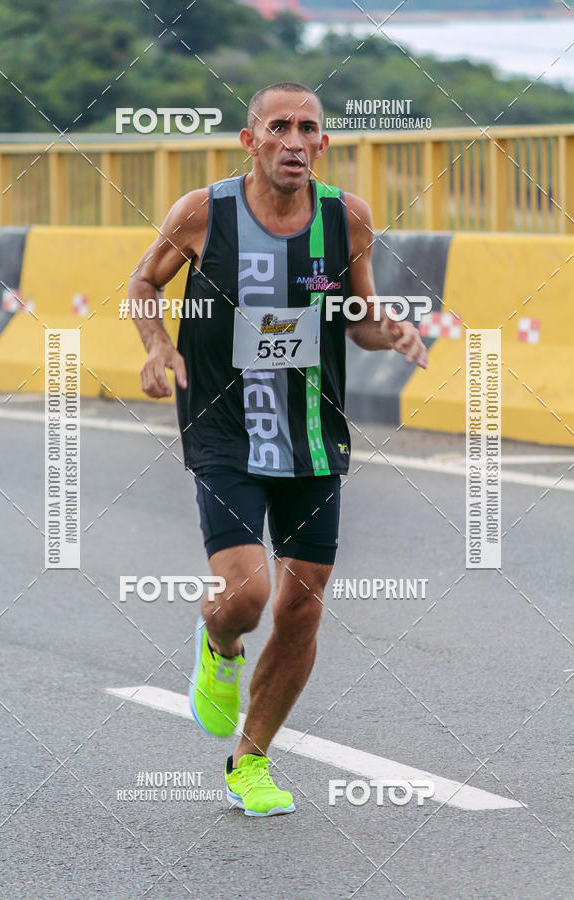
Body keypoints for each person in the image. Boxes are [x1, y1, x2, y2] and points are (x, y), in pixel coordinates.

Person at [130, 82, 427, 817]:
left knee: (300, 608)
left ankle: (250, 761)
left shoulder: (346, 218)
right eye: (280, 127)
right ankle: (219, 642)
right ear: (251, 140)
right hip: (225, 429)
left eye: (309, 129)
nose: (295, 140)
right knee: (248, 595)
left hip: (312, 435)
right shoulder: (205, 212)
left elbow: (354, 317)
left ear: (323, 144)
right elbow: (142, 282)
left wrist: (384, 327)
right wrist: (158, 344)